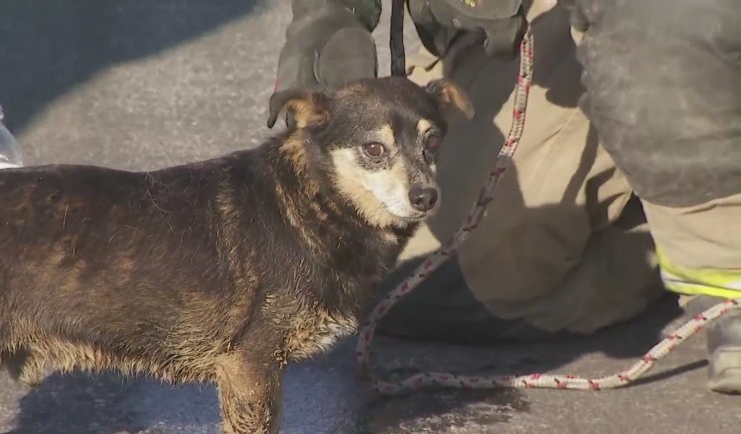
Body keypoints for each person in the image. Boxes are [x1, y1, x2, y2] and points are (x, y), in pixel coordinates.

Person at [271, 0, 740, 394]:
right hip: (535, 34)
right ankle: (651, 230)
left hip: (679, 27)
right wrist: (334, 84)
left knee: (668, 23)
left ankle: (723, 271)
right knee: (405, 272)